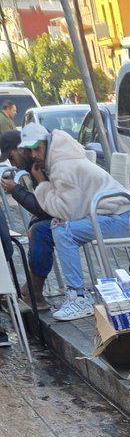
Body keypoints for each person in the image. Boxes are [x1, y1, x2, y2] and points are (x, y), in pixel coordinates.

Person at [20, 121, 130, 322]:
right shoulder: (59, 158)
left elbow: (65, 211)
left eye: (37, 147)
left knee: (62, 230)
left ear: (47, 142)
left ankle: (79, 297)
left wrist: (42, 184)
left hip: (122, 219)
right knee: (47, 229)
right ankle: (43, 290)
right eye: (30, 150)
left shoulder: (62, 165)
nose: (34, 154)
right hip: (109, 215)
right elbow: (67, 209)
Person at [1, 129, 54, 312]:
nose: (12, 164)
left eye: (12, 157)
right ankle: (32, 287)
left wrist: (16, 190)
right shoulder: (35, 166)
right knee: (36, 227)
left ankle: (36, 294)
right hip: (70, 211)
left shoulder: (42, 164)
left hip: (87, 212)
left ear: (22, 149)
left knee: (40, 231)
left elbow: (46, 207)